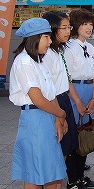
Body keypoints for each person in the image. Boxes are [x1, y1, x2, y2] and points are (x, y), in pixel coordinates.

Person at [9, 18, 67, 189]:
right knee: (35, 174)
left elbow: (51, 93)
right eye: (46, 37)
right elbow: (38, 99)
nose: (50, 41)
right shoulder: (24, 62)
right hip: (35, 119)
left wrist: (58, 118)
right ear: (34, 38)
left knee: (52, 172)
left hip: (48, 116)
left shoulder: (39, 61)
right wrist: (61, 114)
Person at [42, 11, 84, 189]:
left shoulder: (58, 50)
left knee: (65, 149)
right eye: (64, 27)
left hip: (63, 100)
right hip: (54, 102)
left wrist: (77, 102)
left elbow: (65, 80)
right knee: (56, 151)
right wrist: (60, 116)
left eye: (69, 27)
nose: (68, 31)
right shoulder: (46, 54)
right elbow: (48, 88)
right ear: (52, 29)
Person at [64, 8, 94, 189]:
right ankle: (72, 180)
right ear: (75, 26)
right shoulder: (68, 48)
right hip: (73, 91)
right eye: (84, 24)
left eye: (91, 24)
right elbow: (66, 78)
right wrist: (77, 101)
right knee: (73, 134)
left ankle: (81, 176)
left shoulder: (91, 48)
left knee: (84, 131)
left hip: (88, 90)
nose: (88, 27)